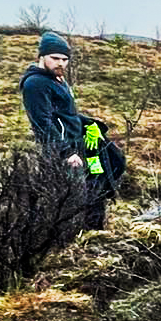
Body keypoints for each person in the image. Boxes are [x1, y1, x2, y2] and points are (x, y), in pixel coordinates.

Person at [19, 32, 126, 229]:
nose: (60, 63)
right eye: (55, 58)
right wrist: (65, 153)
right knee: (73, 199)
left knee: (98, 183)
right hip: (64, 153)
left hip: (82, 146)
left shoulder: (58, 80)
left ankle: (95, 235)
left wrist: (90, 125)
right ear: (41, 56)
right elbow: (42, 123)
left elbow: (66, 114)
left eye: (64, 59)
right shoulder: (35, 84)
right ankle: (73, 238)